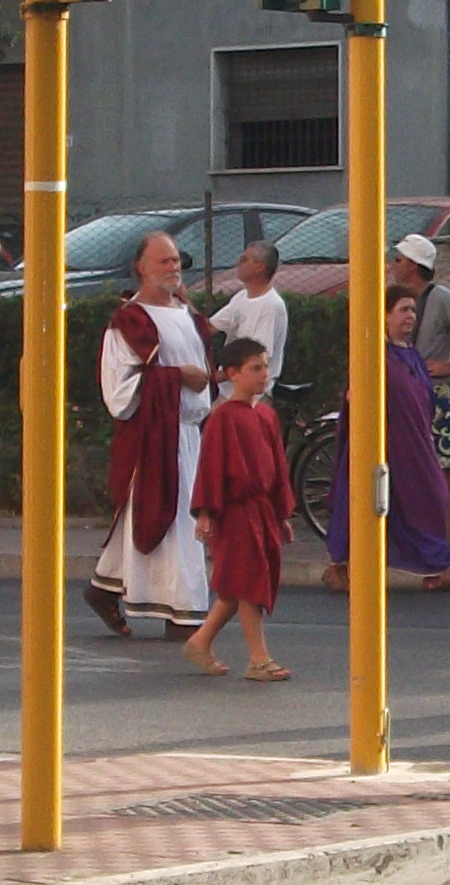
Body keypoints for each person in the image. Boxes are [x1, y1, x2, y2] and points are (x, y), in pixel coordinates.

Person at [84, 230, 215, 641]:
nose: (173, 267)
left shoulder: (186, 313)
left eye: (176, 260)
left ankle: (104, 588)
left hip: (190, 433)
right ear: (141, 267)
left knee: (153, 520)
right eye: (163, 261)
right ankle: (185, 614)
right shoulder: (130, 322)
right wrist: (178, 378)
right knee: (180, 522)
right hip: (156, 438)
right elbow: (118, 392)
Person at [328, 287, 450, 593]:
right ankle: (343, 566)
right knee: (364, 503)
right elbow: (356, 396)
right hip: (384, 443)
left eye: (413, 310)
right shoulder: (375, 354)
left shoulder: (411, 353)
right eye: (403, 310)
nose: (410, 316)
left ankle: (435, 569)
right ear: (385, 315)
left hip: (416, 442)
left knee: (431, 498)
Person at [186, 334, 294, 682]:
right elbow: (211, 467)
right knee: (249, 580)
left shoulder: (266, 415)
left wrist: (282, 513)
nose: (264, 375)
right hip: (235, 511)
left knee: (238, 583)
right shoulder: (222, 418)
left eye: (265, 367)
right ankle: (258, 658)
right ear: (233, 373)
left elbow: (277, 468)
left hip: (261, 509)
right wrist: (205, 513)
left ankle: (200, 641)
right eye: (255, 368)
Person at [389, 232, 450, 389]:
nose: (392, 266)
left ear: (413, 265)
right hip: (405, 386)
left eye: (398, 260)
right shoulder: (398, 296)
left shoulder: (440, 296)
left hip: (432, 386)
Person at [210, 238, 292, 390]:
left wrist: (213, 378)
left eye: (244, 260)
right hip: (230, 388)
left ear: (259, 266)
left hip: (252, 392)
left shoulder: (271, 305)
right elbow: (209, 327)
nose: (238, 263)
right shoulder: (241, 297)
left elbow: (256, 357)